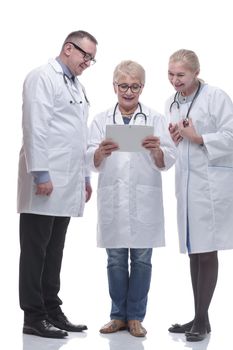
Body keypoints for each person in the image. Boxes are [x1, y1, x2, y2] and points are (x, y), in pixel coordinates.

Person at [87, 60, 177, 337]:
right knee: (115, 259)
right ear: (114, 86)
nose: (128, 92)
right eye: (124, 86)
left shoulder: (155, 118)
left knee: (141, 260)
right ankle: (117, 317)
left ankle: (136, 317)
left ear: (142, 87)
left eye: (134, 86)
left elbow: (169, 157)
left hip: (144, 199)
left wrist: (156, 151)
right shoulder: (101, 119)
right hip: (113, 198)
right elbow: (89, 157)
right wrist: (100, 152)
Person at [17, 30, 98, 339]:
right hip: (46, 181)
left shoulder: (76, 85)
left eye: (92, 58)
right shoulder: (42, 77)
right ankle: (33, 316)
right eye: (85, 56)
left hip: (68, 181)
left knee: (55, 250)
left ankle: (52, 309)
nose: (88, 62)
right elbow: (34, 126)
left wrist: (85, 177)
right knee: (36, 250)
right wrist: (40, 174)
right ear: (68, 48)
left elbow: (76, 137)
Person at [166, 49, 233, 342]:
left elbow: (231, 135)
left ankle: (202, 319)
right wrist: (175, 136)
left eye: (181, 75)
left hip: (211, 185)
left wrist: (199, 138)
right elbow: (179, 142)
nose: (175, 80)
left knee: (206, 251)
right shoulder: (171, 102)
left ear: (196, 72)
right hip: (188, 183)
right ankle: (199, 318)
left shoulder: (216, 96)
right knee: (194, 251)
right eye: (170, 74)